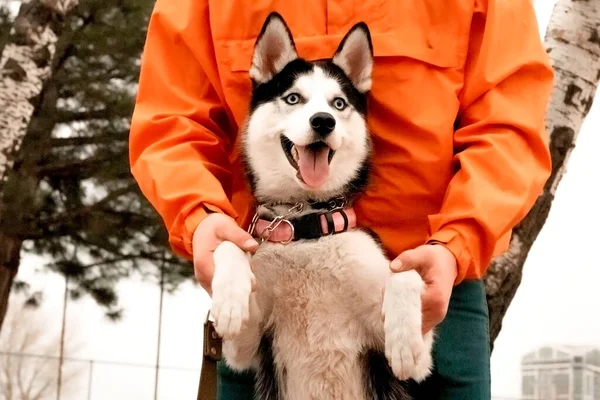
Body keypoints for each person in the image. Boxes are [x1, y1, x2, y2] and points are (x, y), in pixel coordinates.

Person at [129, 1, 554, 399]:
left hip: (429, 292)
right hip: (263, 287)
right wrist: (199, 216)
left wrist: (457, 243)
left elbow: (508, 127)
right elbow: (172, 122)